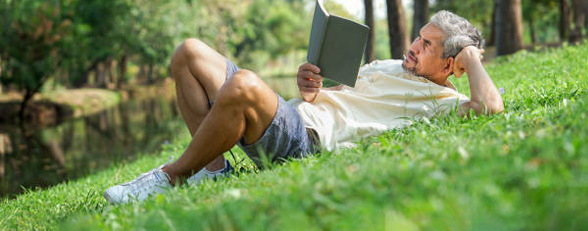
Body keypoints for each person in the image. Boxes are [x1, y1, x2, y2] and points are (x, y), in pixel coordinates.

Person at [104, 11, 504, 204]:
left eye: (427, 46)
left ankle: (170, 177)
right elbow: (333, 94)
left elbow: (490, 107)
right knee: (189, 53)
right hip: (297, 115)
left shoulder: (443, 103)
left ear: (451, 65)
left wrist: (471, 56)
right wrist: (310, 85)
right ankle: (211, 171)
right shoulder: (389, 66)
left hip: (306, 141)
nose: (414, 48)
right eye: (419, 38)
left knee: (244, 84)